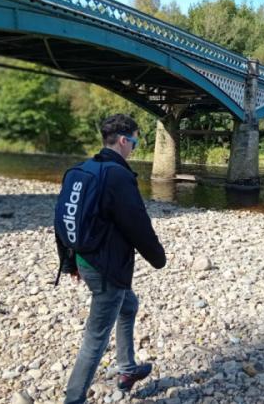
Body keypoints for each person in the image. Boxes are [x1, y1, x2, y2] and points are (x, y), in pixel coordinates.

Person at [60, 114, 166, 404]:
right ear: (123, 140)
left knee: (128, 304)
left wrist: (70, 262)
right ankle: (73, 399)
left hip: (85, 258)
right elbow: (137, 224)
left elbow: (64, 217)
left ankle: (128, 369)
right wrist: (159, 258)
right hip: (106, 268)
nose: (134, 147)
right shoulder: (117, 175)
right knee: (95, 338)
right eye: (134, 141)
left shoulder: (82, 170)